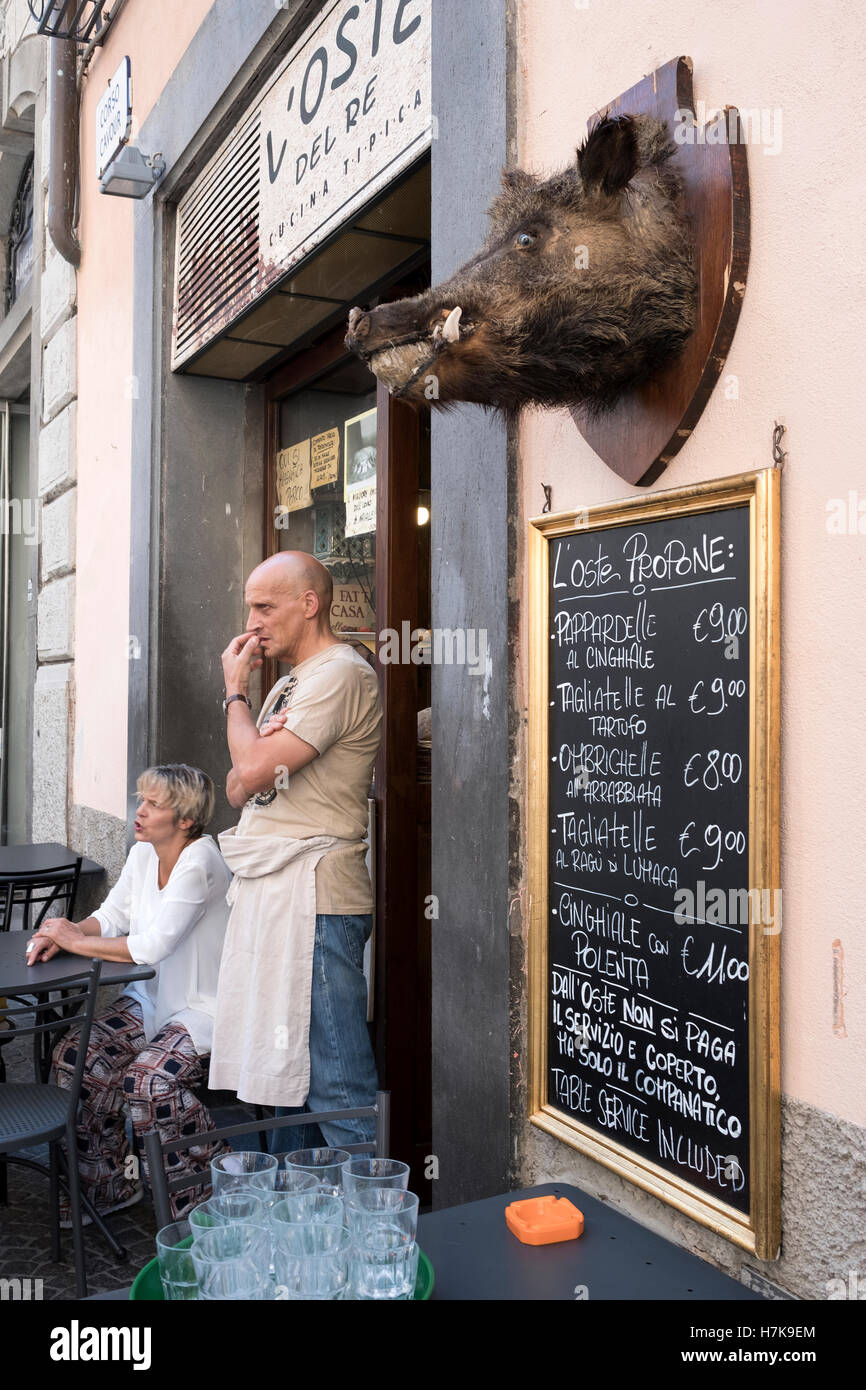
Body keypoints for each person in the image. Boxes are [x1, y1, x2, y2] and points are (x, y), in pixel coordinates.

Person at [210, 550, 382, 1154]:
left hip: (316, 901)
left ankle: (367, 1234)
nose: (251, 621)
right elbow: (238, 785)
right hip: (282, 896)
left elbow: (251, 770)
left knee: (336, 1083)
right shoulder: (288, 682)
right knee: (287, 1086)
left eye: (265, 606)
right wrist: (251, 761)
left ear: (309, 605)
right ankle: (305, 1236)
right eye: (248, 607)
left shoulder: (341, 673)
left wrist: (234, 694)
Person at [28, 764, 232, 1220]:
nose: (138, 811)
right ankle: (107, 1187)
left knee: (149, 1081)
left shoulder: (201, 861)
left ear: (185, 819)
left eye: (153, 804)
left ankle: (217, 1190)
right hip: (152, 1001)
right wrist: (62, 932)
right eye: (140, 799)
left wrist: (76, 942)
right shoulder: (144, 853)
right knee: (76, 1056)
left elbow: (152, 945)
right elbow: (112, 916)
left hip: (204, 1008)